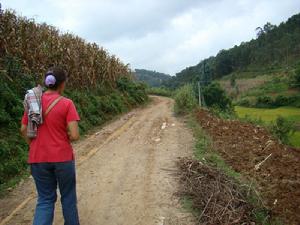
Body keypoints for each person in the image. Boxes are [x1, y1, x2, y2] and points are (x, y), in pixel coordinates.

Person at [20, 66, 80, 225]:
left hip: (38, 158)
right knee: (68, 197)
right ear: (62, 84)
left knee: (45, 199)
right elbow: (74, 134)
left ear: (47, 83)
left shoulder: (33, 102)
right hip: (62, 158)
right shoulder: (67, 103)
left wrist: (33, 145)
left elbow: (23, 129)